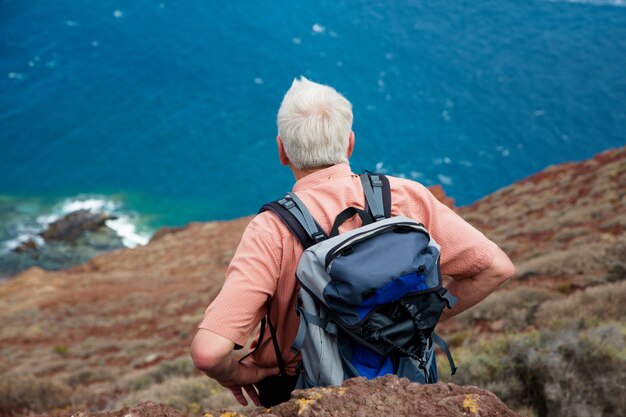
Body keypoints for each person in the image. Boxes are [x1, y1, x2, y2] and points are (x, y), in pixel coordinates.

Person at [191, 76, 515, 408]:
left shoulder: (271, 230)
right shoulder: (405, 196)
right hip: (405, 381)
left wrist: (239, 375)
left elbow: (208, 353)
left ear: (282, 151)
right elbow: (495, 268)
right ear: (350, 143)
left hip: (304, 394)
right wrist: (408, 326)